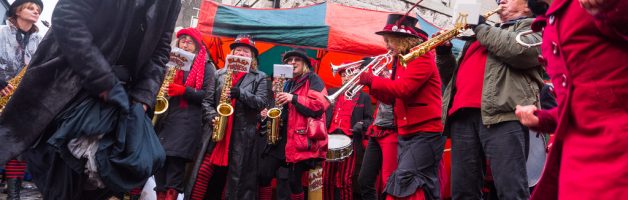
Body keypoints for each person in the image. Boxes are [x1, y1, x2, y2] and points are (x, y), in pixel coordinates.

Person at [0, 0, 181, 198]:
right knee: (59, 175)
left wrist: (144, 97)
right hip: (70, 84)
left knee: (107, 178)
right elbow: (67, 17)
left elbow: (161, 50)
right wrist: (102, 79)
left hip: (126, 95)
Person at [514, 0, 628, 199]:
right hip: (576, 161)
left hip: (617, 154)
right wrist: (544, 119)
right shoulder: (551, 21)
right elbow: (583, 101)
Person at [435, 0, 545, 199]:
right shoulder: (484, 33)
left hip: (504, 116)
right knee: (462, 191)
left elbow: (519, 50)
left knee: (511, 189)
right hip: (462, 116)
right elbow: (453, 81)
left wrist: (479, 26)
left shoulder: (534, 28)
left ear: (529, 5)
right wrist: (443, 54)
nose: (500, 1)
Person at [357, 14, 446, 200]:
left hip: (426, 131)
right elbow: (391, 98)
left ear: (403, 39)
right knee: (419, 182)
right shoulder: (400, 60)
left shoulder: (422, 56)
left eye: (390, 41)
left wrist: (373, 79)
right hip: (407, 131)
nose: (387, 46)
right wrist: (371, 85)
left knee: (406, 179)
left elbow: (404, 88)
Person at [192, 34, 269, 200]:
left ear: (252, 57)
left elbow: (261, 102)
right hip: (217, 133)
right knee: (204, 173)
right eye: (238, 50)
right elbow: (207, 101)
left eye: (246, 52)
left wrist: (240, 93)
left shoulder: (260, 77)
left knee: (234, 180)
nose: (241, 54)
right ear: (232, 53)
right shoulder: (219, 74)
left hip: (242, 137)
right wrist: (212, 117)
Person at [152, 27, 216, 200]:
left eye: (190, 42)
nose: (185, 45)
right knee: (159, 166)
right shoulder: (168, 60)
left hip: (186, 123)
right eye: (183, 41)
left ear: (196, 45)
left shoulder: (207, 66)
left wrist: (184, 90)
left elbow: (207, 96)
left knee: (174, 170)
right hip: (164, 119)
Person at [257, 48, 329, 200]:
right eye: (289, 60)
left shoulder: (313, 79)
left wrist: (293, 98)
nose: (293, 62)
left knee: (294, 182)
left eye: (297, 59)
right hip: (281, 137)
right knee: (264, 174)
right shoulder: (287, 82)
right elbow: (282, 107)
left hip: (299, 139)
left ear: (305, 64)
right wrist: (269, 111)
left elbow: (319, 106)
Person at [0, 0, 43, 199]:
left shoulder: (40, 39)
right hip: (2, 92)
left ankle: (14, 194)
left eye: (38, 10)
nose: (36, 11)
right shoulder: (0, 32)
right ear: (17, 11)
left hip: (22, 97)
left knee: (17, 146)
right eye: (30, 7)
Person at [323, 64, 373, 200]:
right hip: (330, 139)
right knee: (326, 179)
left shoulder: (364, 97)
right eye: (343, 75)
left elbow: (369, 119)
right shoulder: (332, 92)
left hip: (350, 140)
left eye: (349, 74)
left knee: (345, 180)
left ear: (356, 77)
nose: (345, 77)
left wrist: (361, 124)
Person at [357, 70, 398, 200]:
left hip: (392, 130)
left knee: (389, 181)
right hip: (376, 131)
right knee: (364, 180)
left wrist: (374, 79)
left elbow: (394, 95)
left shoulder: (396, 71)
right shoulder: (384, 72)